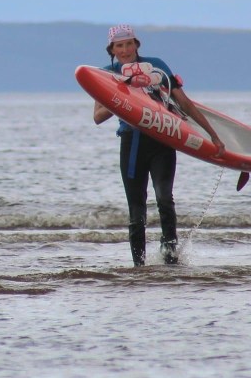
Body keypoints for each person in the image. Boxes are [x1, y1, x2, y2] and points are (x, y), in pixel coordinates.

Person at [92, 24, 224, 266]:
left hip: (163, 139)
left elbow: (184, 103)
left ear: (136, 44)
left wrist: (212, 135)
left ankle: (170, 259)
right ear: (112, 49)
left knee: (164, 198)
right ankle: (139, 266)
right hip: (132, 144)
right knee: (136, 209)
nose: (125, 49)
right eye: (119, 46)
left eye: (129, 44)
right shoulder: (106, 75)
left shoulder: (156, 67)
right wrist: (121, 94)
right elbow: (98, 117)